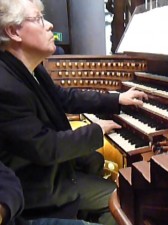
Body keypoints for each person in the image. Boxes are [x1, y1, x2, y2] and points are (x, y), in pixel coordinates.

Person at [0, 0, 148, 224]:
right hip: (36, 192)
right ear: (13, 31)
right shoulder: (5, 85)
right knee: (125, 203)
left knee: (119, 193)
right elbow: (46, 147)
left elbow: (65, 97)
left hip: (52, 177)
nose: (50, 25)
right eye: (39, 19)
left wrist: (116, 99)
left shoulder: (31, 70)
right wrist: (96, 131)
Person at [0, 160, 102, 225]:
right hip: (41, 189)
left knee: (95, 160)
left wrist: (3, 209)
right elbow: (48, 146)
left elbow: (8, 181)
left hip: (19, 220)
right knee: (110, 195)